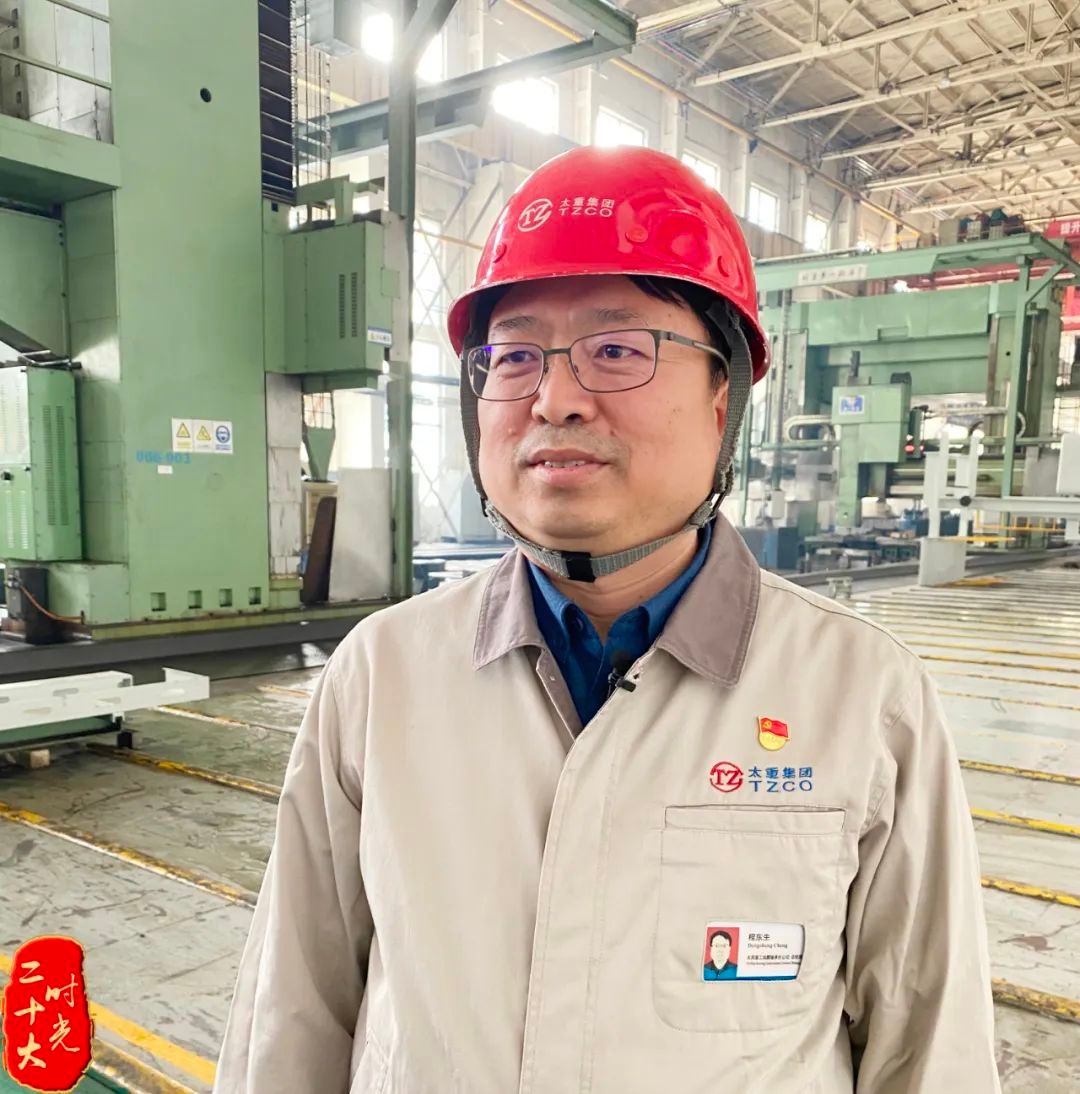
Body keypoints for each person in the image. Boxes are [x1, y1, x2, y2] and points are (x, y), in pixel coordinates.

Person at [214, 146, 1001, 1093]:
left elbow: (932, 1048)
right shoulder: (386, 673)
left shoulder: (860, 694)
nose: (554, 399)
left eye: (617, 349)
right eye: (514, 357)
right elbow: (292, 1013)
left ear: (723, 397)